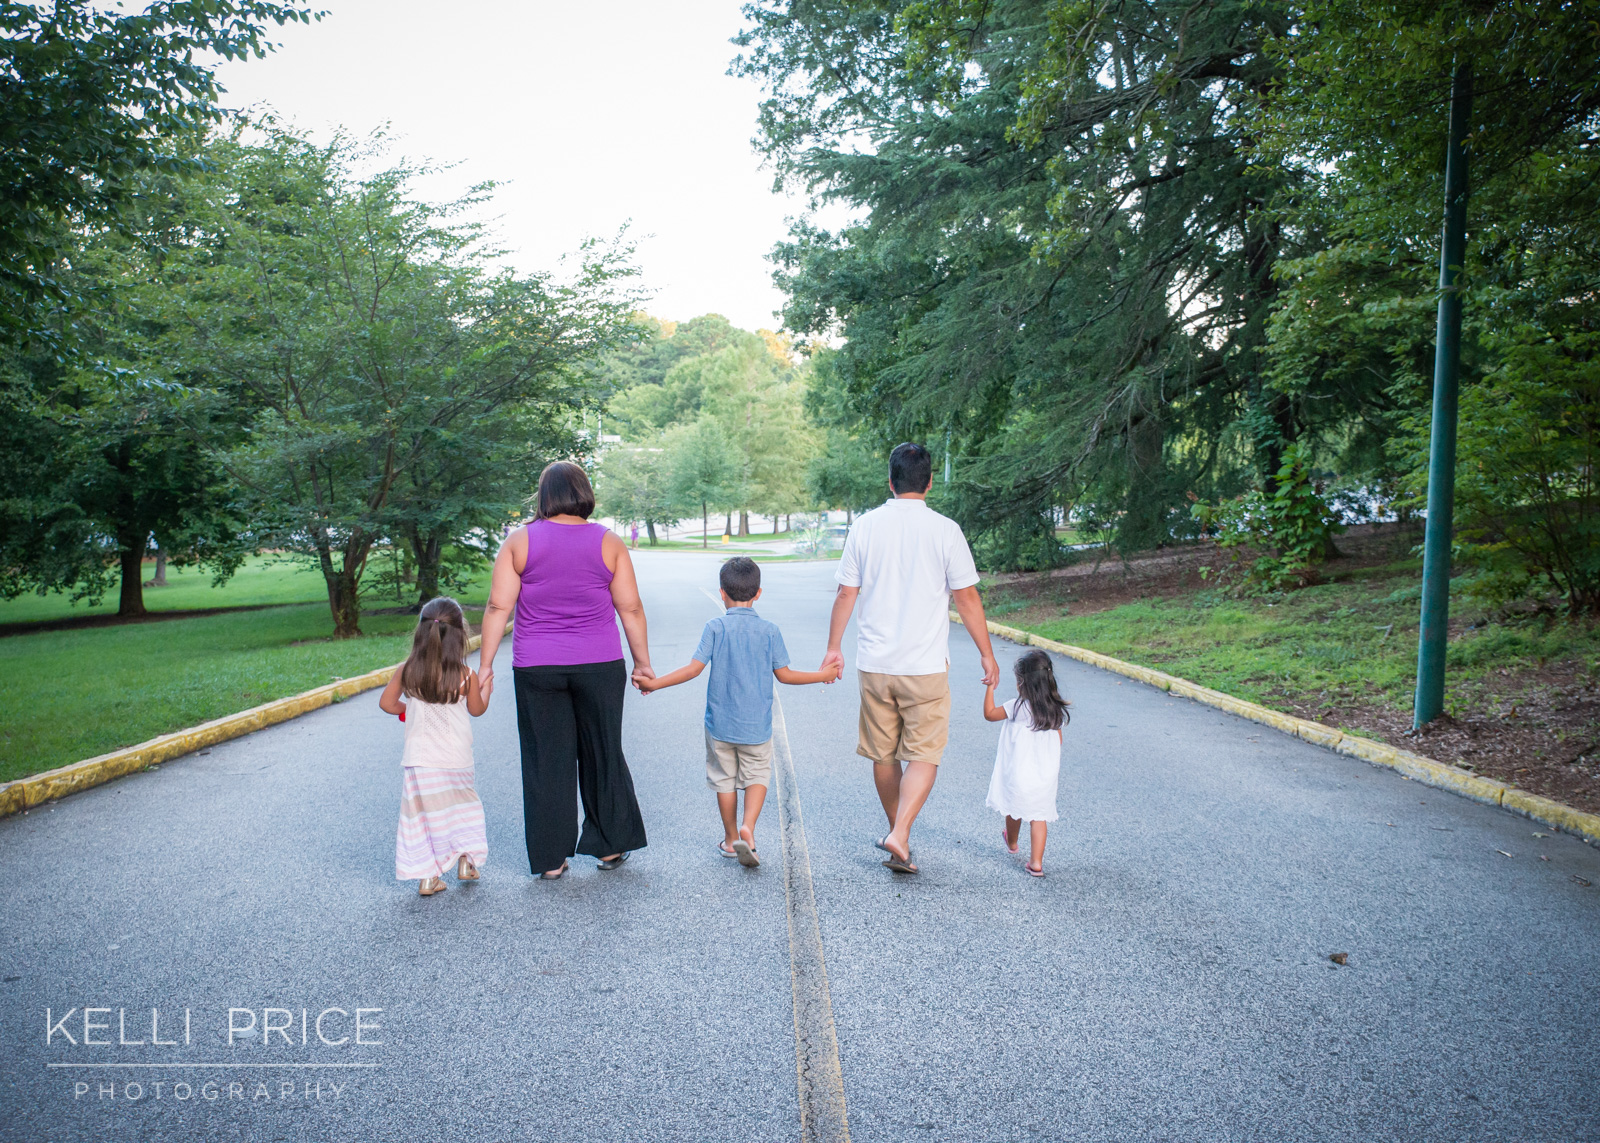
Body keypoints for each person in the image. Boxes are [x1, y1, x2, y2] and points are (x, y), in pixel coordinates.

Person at [821, 442, 1000, 874]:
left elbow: (847, 592)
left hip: (876, 665)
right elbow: (968, 599)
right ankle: (900, 833)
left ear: (890, 481)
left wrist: (833, 648)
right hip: (925, 668)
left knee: (885, 755)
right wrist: (986, 653)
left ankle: (897, 835)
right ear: (930, 482)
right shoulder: (945, 530)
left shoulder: (865, 526)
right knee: (924, 754)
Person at [478, 461, 652, 880]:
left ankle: (551, 859)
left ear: (544, 496)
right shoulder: (609, 543)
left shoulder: (519, 542)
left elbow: (499, 607)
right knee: (602, 751)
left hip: (538, 667)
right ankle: (610, 849)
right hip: (599, 664)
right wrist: (643, 662)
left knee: (545, 760)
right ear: (583, 493)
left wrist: (484, 666)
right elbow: (629, 607)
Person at [639, 557, 839, 867]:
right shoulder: (769, 630)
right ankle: (749, 827)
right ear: (758, 593)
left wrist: (655, 683)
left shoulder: (715, 627)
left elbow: (693, 669)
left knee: (724, 780)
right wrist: (822, 675)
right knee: (758, 774)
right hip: (756, 726)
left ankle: (732, 839)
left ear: (721, 593)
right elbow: (785, 675)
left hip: (720, 725)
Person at [377, 597, 493, 897]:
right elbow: (477, 710)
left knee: (422, 817)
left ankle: (428, 877)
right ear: (459, 636)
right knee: (463, 808)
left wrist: (408, 711)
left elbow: (386, 703)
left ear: (421, 632)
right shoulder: (466, 676)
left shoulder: (408, 670)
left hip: (420, 761)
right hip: (457, 759)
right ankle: (467, 863)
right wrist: (486, 689)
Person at [984, 650, 1069, 877]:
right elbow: (1058, 740)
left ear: (1022, 682)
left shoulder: (1018, 706)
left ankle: (1012, 842)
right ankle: (1036, 863)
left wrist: (990, 687)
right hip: (1044, 774)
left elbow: (989, 714)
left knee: (1013, 808)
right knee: (1038, 816)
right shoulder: (1054, 709)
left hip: (1019, 771)